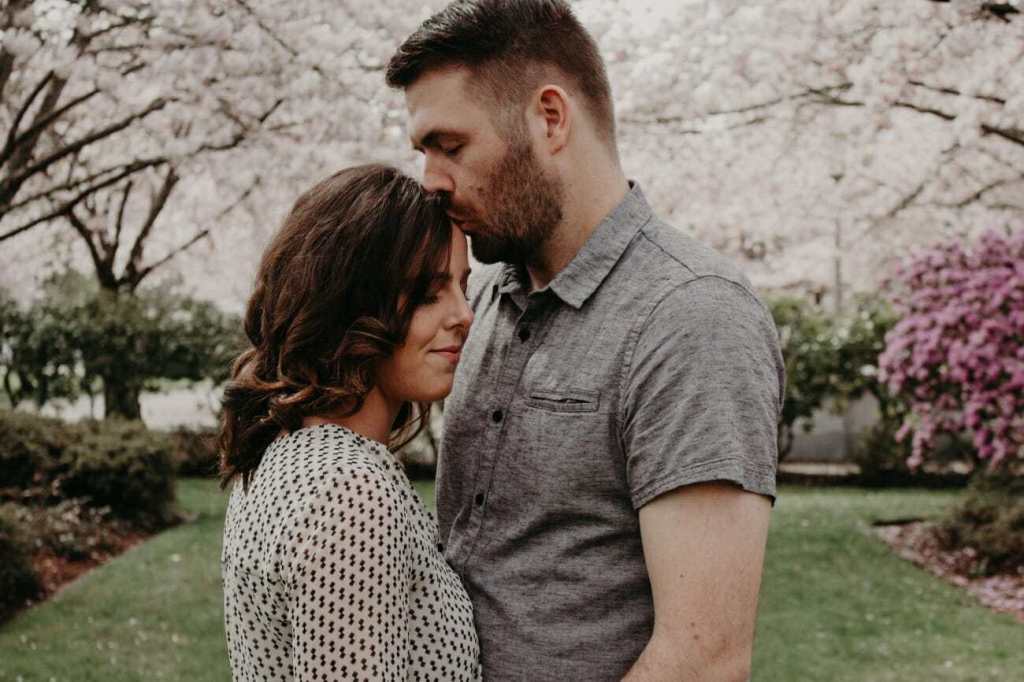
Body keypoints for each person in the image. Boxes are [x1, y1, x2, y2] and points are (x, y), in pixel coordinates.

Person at [386, 1, 785, 679]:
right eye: (424, 153)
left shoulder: (692, 318)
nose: (431, 182)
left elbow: (704, 657)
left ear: (549, 118)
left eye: (450, 147)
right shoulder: (476, 298)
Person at [218, 164, 481, 681]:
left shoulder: (288, 450)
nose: (464, 314)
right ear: (351, 302)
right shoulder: (350, 490)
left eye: (462, 285)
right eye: (430, 292)